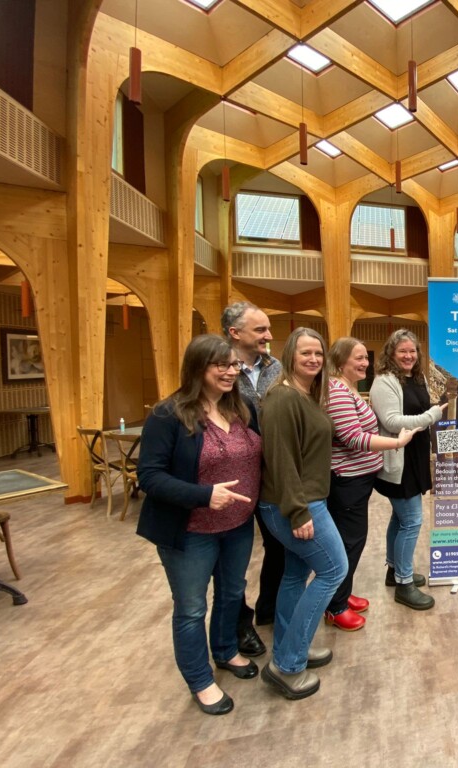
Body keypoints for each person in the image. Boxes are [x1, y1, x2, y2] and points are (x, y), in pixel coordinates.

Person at [137, 335, 262, 716]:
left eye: (234, 365)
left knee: (231, 594)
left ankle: (225, 650)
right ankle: (199, 678)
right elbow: (149, 477)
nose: (230, 371)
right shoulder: (168, 414)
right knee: (191, 608)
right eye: (219, 365)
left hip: (238, 524)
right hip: (190, 531)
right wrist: (203, 495)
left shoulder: (241, 408)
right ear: (197, 367)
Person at [256, 327, 347, 700]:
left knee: (295, 574)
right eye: (305, 352)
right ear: (290, 354)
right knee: (334, 570)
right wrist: (298, 513)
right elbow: (280, 461)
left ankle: (292, 644)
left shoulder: (308, 396)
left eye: (318, 353)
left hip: (307, 500)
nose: (313, 359)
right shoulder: (281, 398)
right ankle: (287, 664)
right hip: (294, 504)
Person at [325, 337, 418, 631]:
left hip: (359, 479)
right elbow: (353, 437)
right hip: (348, 481)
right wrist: (396, 442)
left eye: (366, 357)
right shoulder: (338, 391)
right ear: (340, 361)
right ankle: (335, 607)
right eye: (358, 358)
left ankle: (342, 593)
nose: (365, 363)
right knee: (350, 542)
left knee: (353, 541)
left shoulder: (348, 388)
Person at [221, 301, 283, 656]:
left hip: (274, 474)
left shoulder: (277, 368)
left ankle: (269, 611)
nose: (268, 336)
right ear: (234, 333)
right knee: (234, 560)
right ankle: (239, 626)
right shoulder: (218, 369)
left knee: (279, 546)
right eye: (260, 330)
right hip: (235, 479)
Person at [369, 329, 444, 610]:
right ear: (391, 353)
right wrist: (431, 416)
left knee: (399, 519)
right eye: (402, 351)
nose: (408, 356)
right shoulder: (384, 381)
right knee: (411, 521)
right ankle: (403, 583)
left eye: (412, 351)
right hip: (397, 462)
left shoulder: (418, 377)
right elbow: (390, 421)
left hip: (414, 457)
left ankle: (394, 570)